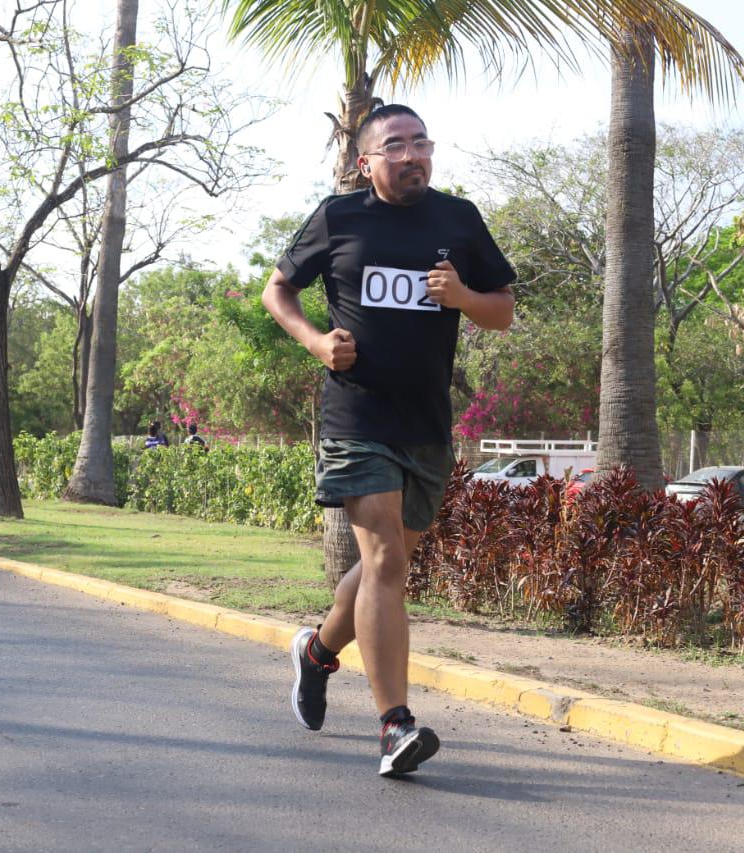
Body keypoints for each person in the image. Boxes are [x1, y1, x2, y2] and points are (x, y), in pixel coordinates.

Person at [262, 104, 515, 777]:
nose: (412, 156)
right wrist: (316, 341)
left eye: (421, 143)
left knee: (392, 563)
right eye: (395, 146)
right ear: (364, 162)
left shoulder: (457, 219)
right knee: (384, 564)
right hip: (357, 417)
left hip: (426, 424)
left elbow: (504, 311)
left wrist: (462, 295)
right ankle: (395, 725)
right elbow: (277, 289)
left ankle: (316, 653)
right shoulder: (339, 217)